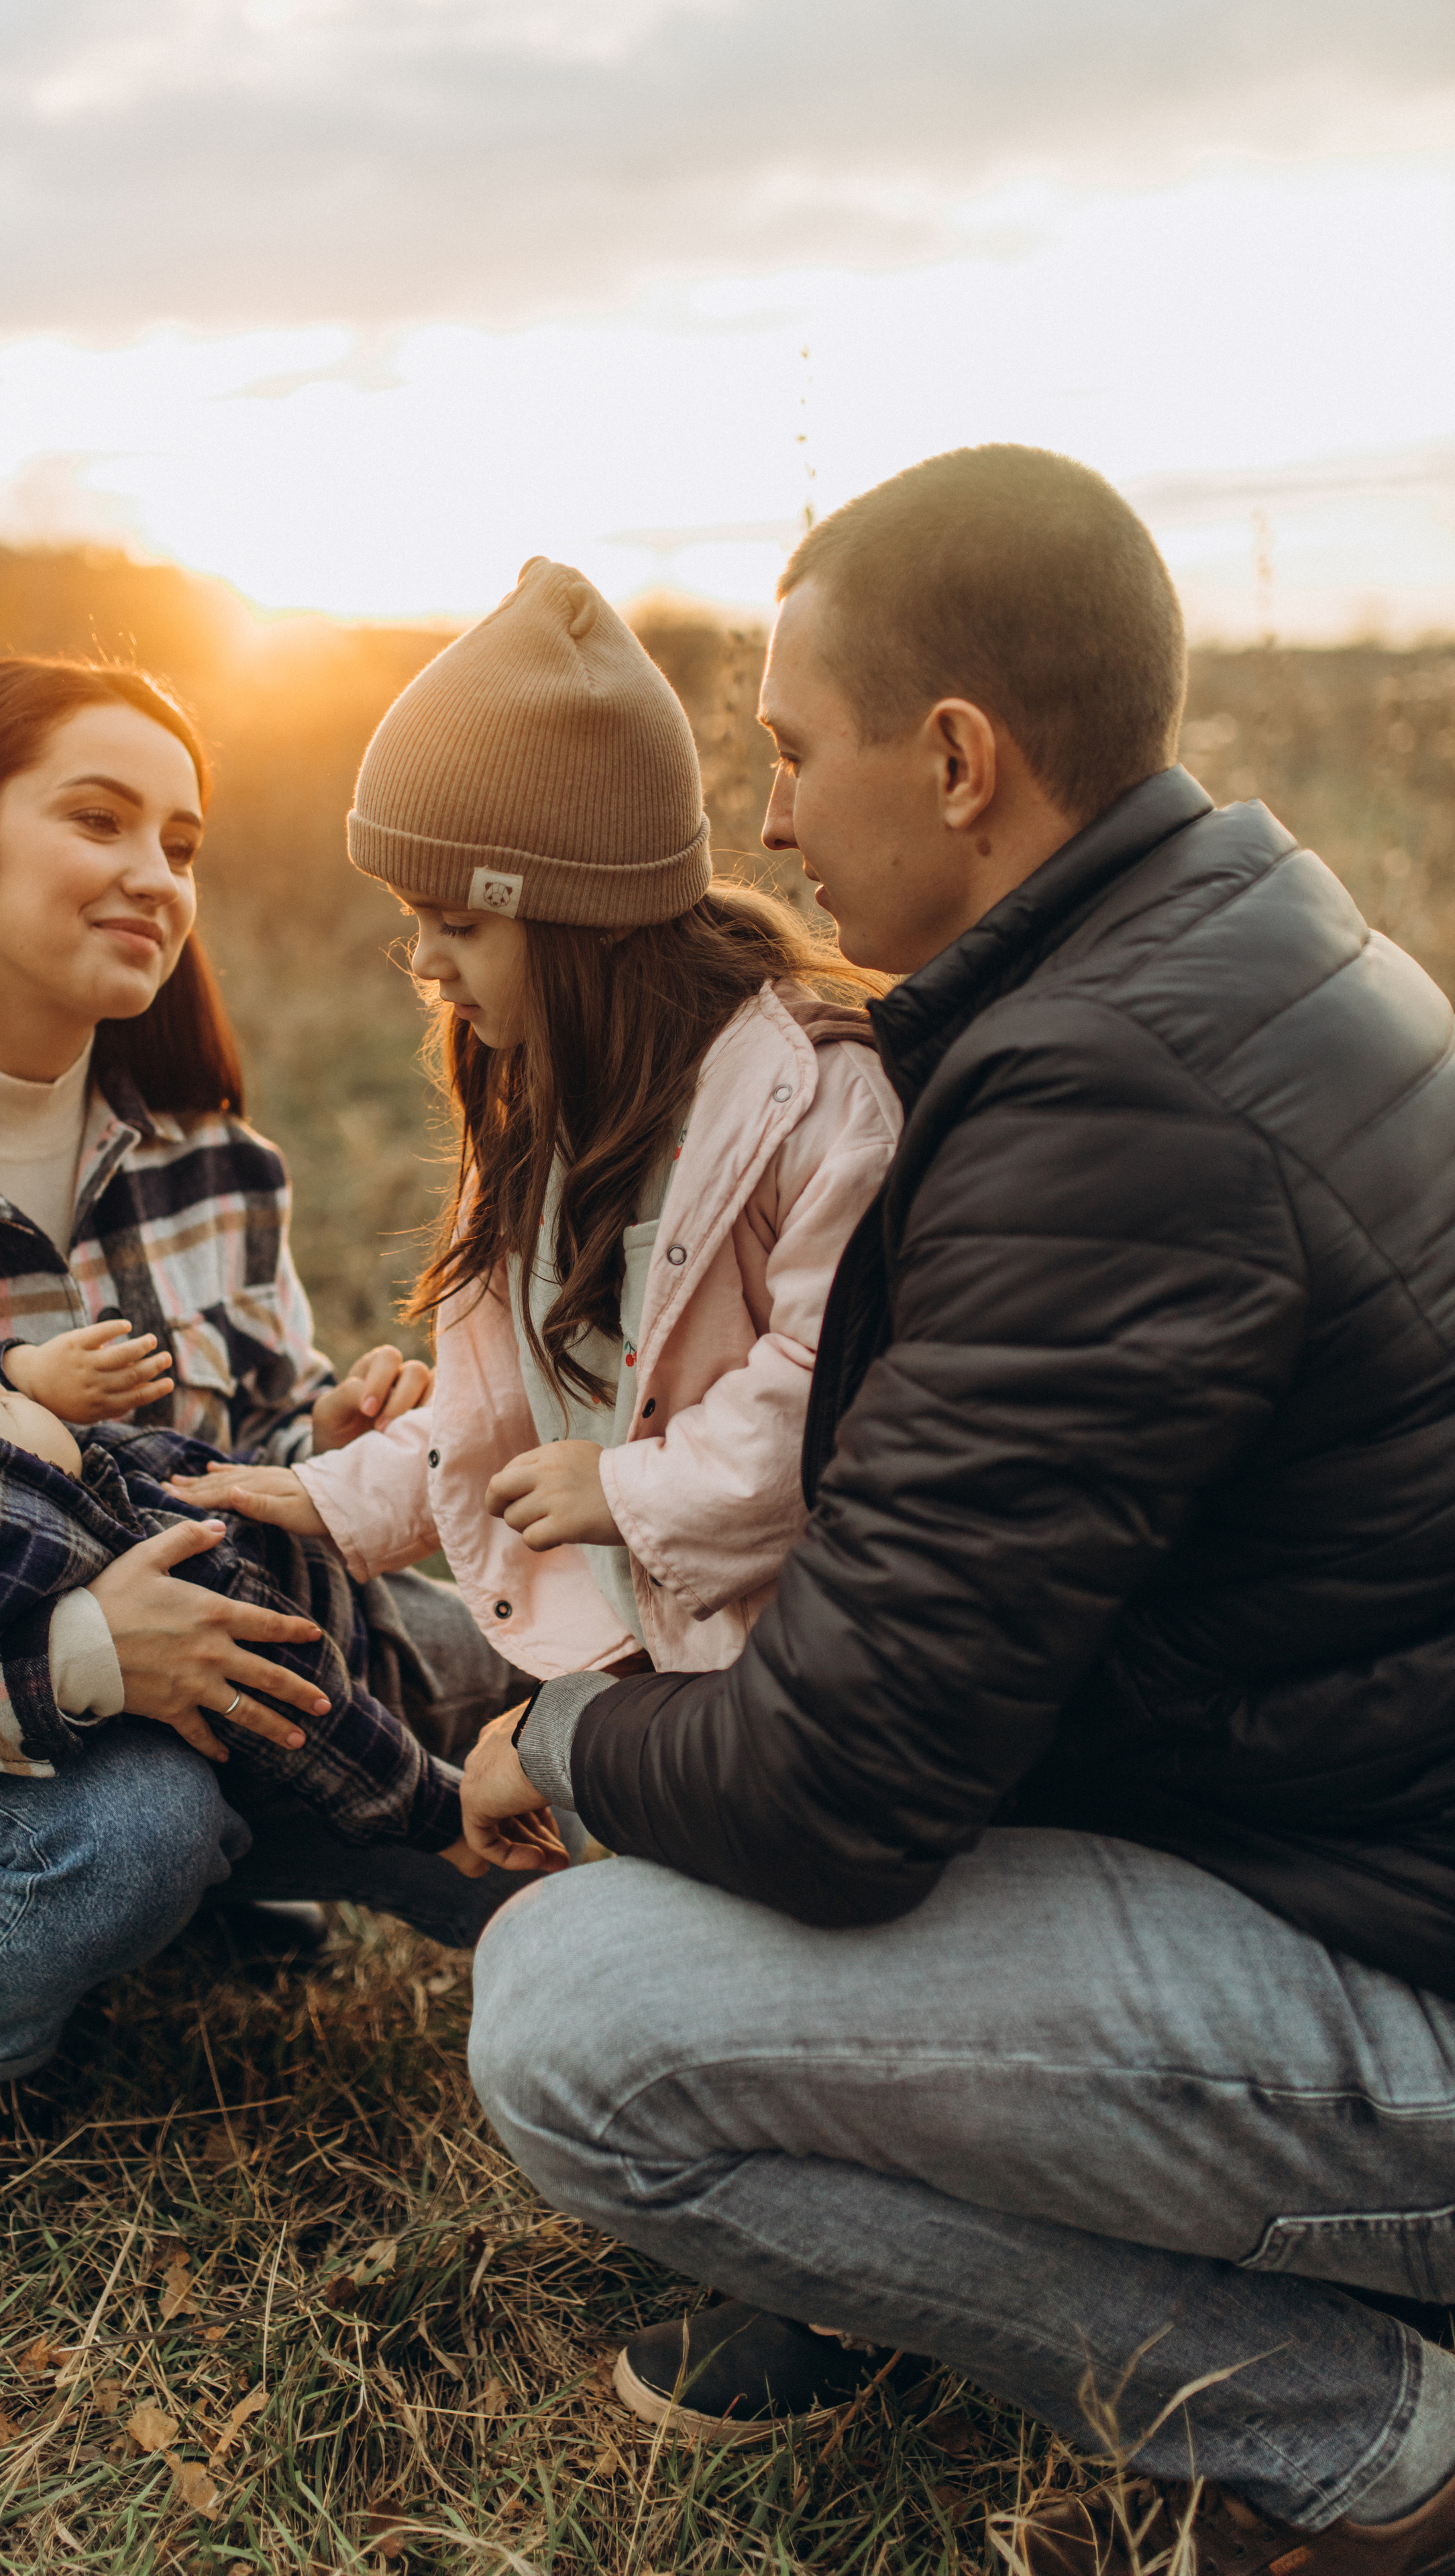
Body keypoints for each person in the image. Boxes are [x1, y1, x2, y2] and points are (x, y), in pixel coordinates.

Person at [459, 446, 1455, 2576]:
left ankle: (1369, 2442)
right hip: (1353, 1830)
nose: (779, 817)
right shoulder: (1239, 941)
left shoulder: (1113, 1101)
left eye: (793, 755)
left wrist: (556, 1741)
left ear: (961, 757)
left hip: (1403, 1971)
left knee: (576, 2024)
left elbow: (841, 1787)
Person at [0, 657, 535, 2239]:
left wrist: (323, 1441)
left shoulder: (210, 1161)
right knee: (143, 1821)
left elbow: (228, 1444)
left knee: (511, 1685)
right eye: (98, 819)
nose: (153, 877)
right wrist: (87, 1666)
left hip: (213, 1675)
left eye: (181, 842)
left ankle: (218, 1881)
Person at [172, 557, 901, 1695]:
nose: (424, 961)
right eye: (415, 920)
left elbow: (829, 1389)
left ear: (579, 919)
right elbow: (508, 1414)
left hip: (783, 1684)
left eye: (458, 922)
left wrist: (626, 1492)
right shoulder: (542, 1105)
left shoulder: (809, 1106)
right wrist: (332, 1495)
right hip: (627, 1648)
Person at [0, 1348, 564, 2241]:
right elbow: (308, 1718)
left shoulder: (14, 1496)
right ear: (14, 1496)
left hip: (307, 1609)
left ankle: (192, 1903)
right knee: (165, 1819)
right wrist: (432, 1817)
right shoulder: (146, 1547)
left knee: (526, 1681)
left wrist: (318, 1451)